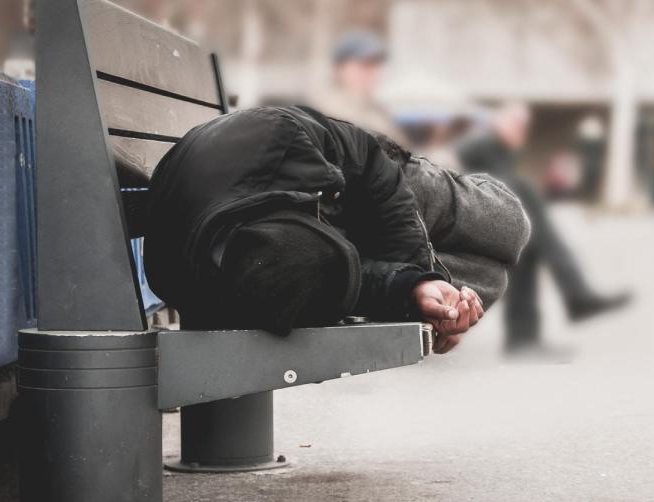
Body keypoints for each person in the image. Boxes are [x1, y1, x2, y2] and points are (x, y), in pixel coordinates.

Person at [144, 105, 530, 354]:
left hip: (360, 183)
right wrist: (414, 295)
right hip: (283, 230)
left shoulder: (279, 140)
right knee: (489, 277)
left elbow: (368, 157)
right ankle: (439, 294)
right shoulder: (266, 282)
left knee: (509, 225)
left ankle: (470, 195)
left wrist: (416, 272)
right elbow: (345, 282)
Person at [457, 103, 631, 354]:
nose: (521, 131)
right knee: (529, 212)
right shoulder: (481, 144)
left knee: (529, 248)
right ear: (499, 122)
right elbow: (479, 181)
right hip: (476, 221)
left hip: (498, 220)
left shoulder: (501, 150)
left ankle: (526, 337)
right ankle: (574, 295)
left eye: (524, 126)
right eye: (517, 124)